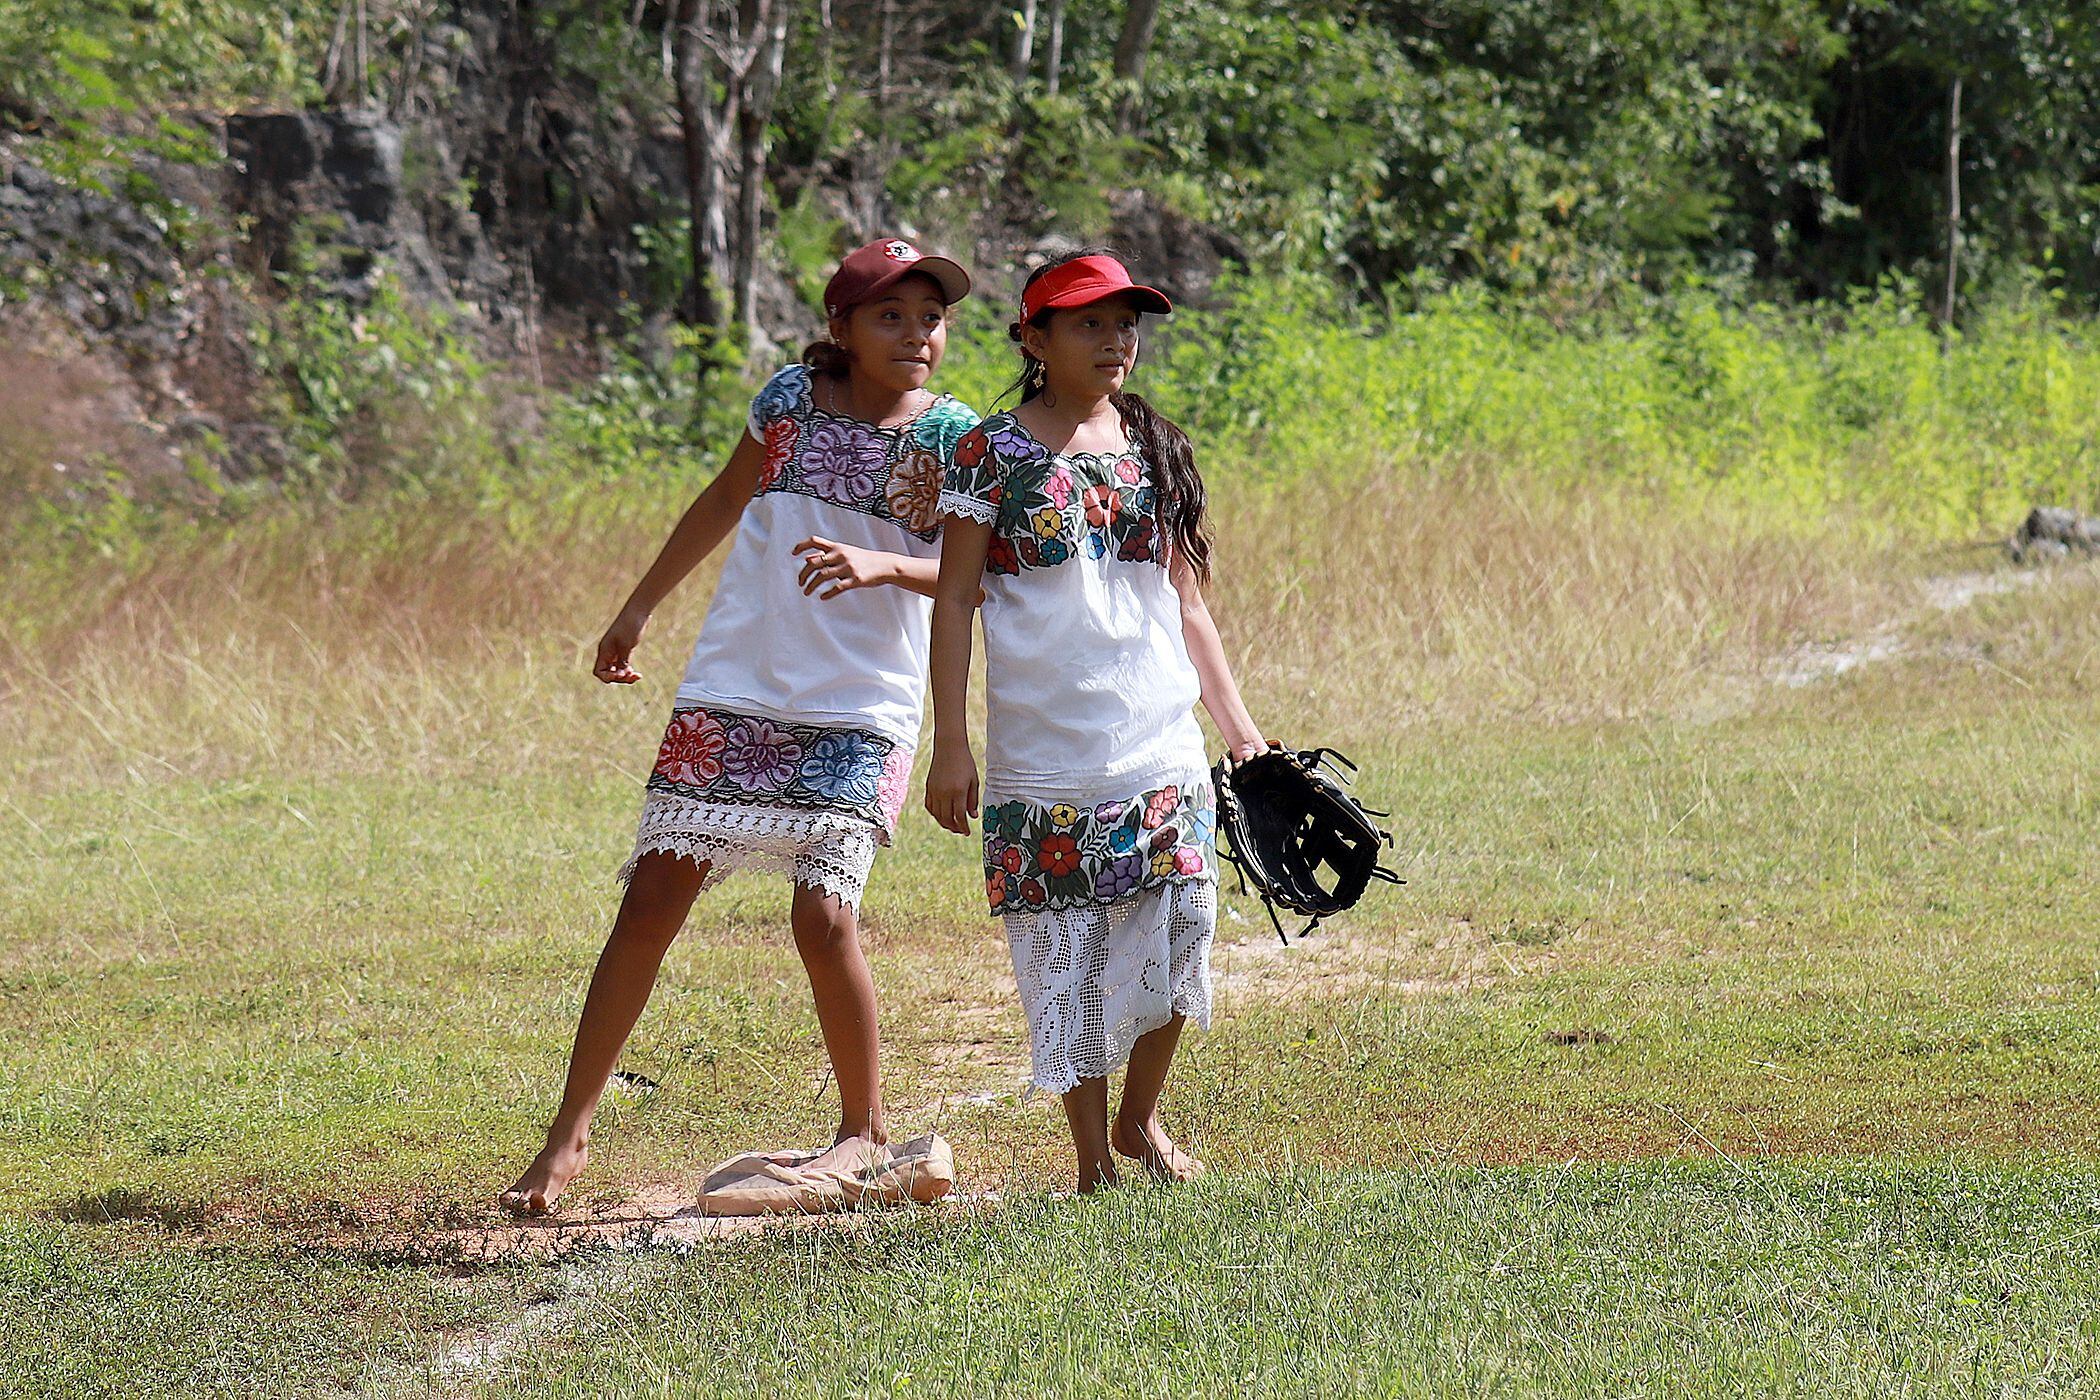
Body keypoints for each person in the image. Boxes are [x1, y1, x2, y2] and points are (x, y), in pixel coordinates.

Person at [501, 239, 980, 1215]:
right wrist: (637, 609)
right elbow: (725, 497)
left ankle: (864, 1134)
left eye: (930, 316)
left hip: (861, 708)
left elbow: (989, 573)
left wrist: (888, 565)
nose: (917, 333)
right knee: (652, 898)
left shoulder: (957, 442)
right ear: (842, 328)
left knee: (824, 913)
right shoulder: (788, 403)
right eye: (891, 314)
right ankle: (568, 1134)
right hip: (737, 683)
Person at [924, 248, 1266, 1193]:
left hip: (1158, 739)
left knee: (1186, 919)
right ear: (1034, 338)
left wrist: (1241, 734)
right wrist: (951, 745)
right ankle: (1088, 1164)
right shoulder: (987, 452)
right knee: (1062, 953)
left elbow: (1188, 604)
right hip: (1043, 756)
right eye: (1089, 323)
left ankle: (1140, 1120)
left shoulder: (1157, 446)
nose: (1117, 338)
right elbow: (954, 602)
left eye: (1127, 322)